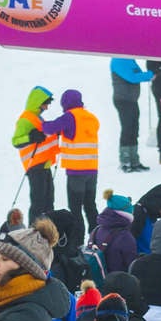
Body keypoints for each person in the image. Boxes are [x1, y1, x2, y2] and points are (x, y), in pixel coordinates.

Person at [42, 89, 102, 233]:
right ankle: (97, 236)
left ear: (66, 103)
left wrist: (39, 122)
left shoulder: (69, 117)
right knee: (90, 205)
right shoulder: (92, 118)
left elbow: (49, 128)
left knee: (75, 208)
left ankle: (78, 240)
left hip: (76, 172)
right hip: (92, 170)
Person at [11, 86, 61, 223]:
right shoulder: (25, 119)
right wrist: (31, 138)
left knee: (49, 202)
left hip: (45, 165)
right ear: (38, 102)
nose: (46, 107)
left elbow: (44, 137)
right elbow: (16, 141)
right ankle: (32, 234)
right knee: (38, 204)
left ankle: (48, 232)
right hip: (34, 166)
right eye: (45, 104)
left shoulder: (38, 119)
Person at [107, 59, 152, 174]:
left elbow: (138, 73)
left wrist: (144, 75)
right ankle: (125, 161)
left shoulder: (130, 60)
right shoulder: (118, 60)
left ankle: (134, 161)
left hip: (131, 100)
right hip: (123, 100)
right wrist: (150, 74)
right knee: (127, 129)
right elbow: (133, 77)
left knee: (134, 129)